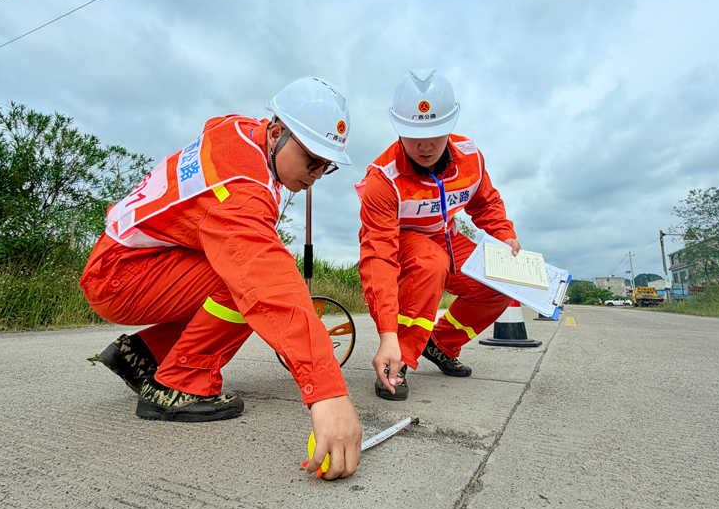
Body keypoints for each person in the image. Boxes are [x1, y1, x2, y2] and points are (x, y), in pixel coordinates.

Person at [80, 77, 361, 479]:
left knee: (235, 270)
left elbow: (218, 123)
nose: (316, 174)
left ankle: (148, 356)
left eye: (327, 166)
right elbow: (266, 280)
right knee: (242, 280)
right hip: (120, 275)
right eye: (312, 160)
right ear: (278, 133)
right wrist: (328, 392)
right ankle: (179, 382)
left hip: (130, 262)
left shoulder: (242, 132)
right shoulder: (241, 185)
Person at [356, 69, 521, 401]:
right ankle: (397, 357)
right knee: (431, 262)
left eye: (436, 133)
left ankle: (441, 343)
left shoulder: (471, 158)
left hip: (447, 236)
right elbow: (379, 257)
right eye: (414, 135)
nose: (425, 146)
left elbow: (486, 201)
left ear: (450, 127)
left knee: (501, 282)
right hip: (402, 241)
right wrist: (388, 333)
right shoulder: (383, 180)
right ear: (398, 129)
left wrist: (505, 236)